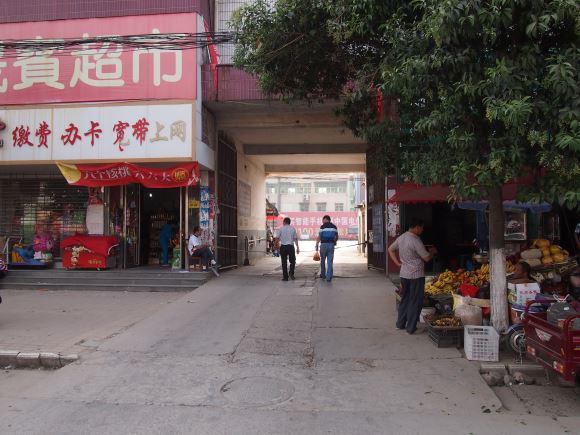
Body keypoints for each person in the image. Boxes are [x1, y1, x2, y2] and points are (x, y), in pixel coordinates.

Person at [388, 218, 437, 334]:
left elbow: (390, 249)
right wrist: (432, 252)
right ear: (417, 227)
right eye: (422, 227)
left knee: (405, 299)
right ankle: (411, 327)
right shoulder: (415, 240)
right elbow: (426, 258)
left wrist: (397, 263)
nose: (422, 230)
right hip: (416, 276)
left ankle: (400, 324)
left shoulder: (401, 237)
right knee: (415, 301)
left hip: (404, 274)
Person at [316, 215, 338, 282]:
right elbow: (336, 237)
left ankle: (323, 275)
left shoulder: (322, 227)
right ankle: (329, 277)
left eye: (323, 220)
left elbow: (319, 236)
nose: (322, 221)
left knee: (322, 260)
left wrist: (316, 244)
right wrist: (334, 242)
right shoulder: (334, 227)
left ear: (326, 219)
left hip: (323, 245)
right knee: (330, 261)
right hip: (331, 245)